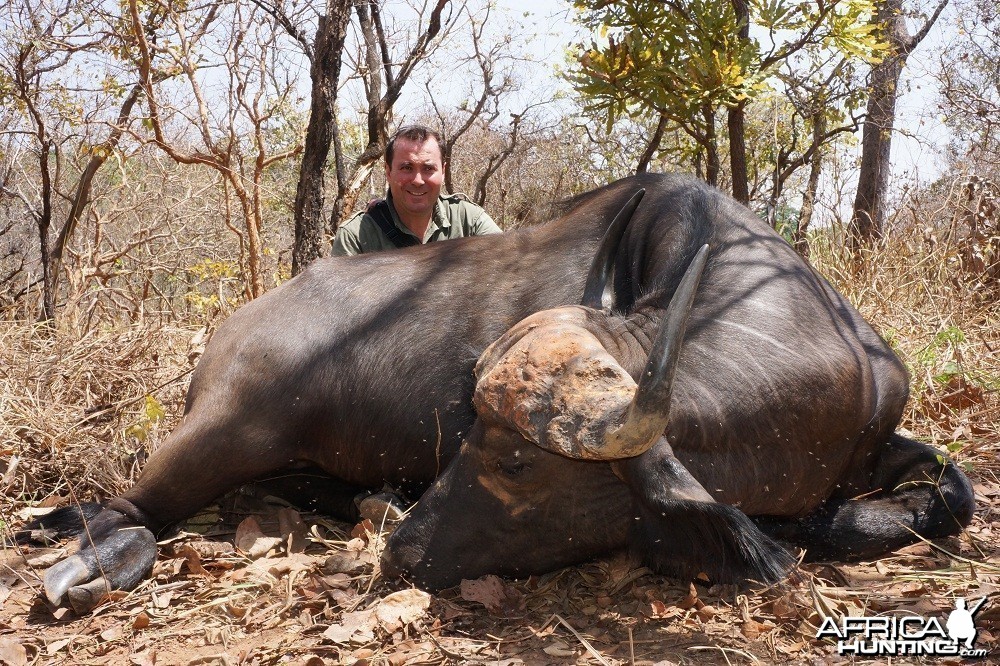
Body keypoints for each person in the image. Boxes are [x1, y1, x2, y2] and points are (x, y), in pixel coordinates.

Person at [332, 124, 502, 256]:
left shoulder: (470, 221)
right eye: (406, 168)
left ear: (443, 171)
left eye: (428, 169)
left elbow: (513, 266)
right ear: (388, 172)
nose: (418, 181)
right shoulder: (355, 236)